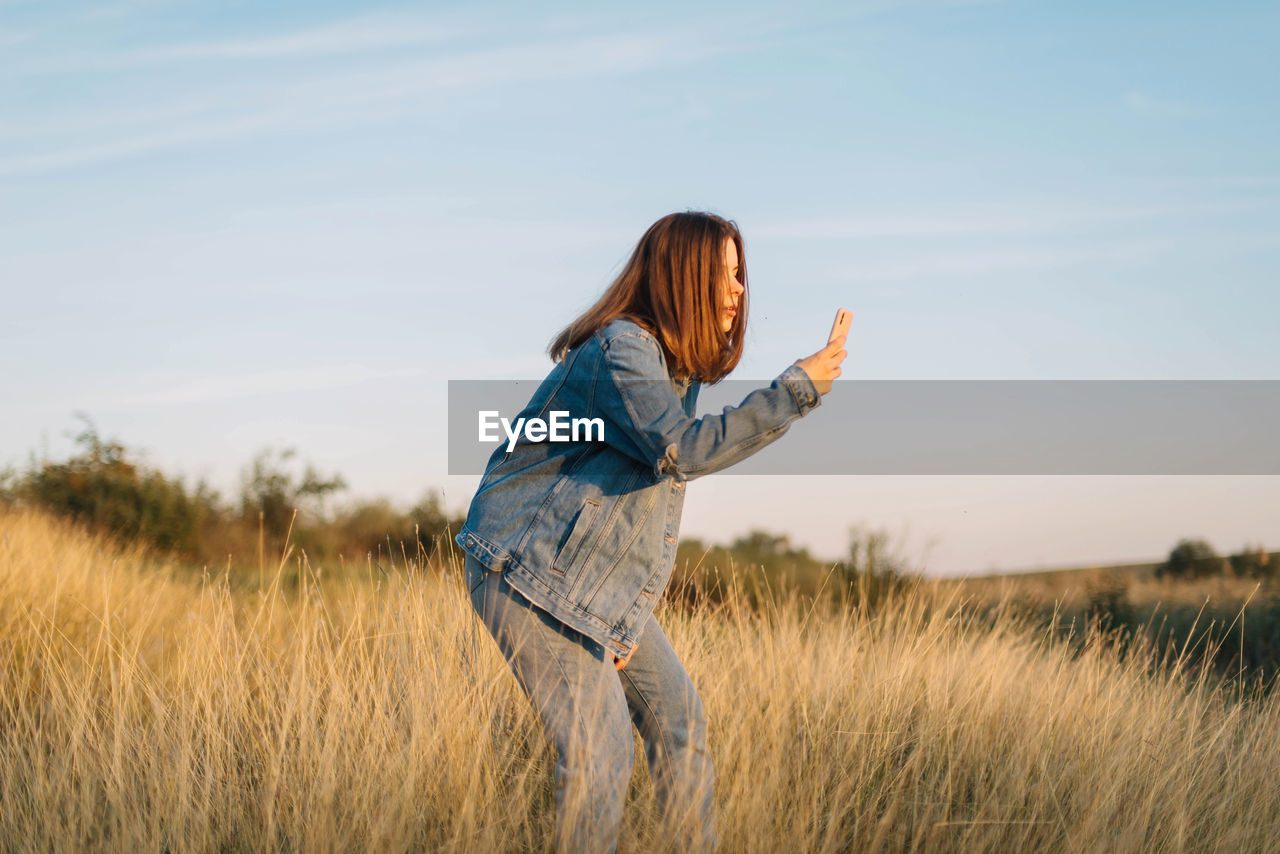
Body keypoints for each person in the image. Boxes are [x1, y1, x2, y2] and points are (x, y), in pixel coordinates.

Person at [455, 210, 847, 853]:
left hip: (586, 579)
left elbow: (635, 503)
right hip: (526, 570)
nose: (739, 291)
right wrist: (794, 391)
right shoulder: (624, 349)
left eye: (741, 275)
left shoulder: (669, 366)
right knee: (599, 752)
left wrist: (620, 616)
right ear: (681, 276)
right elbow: (681, 451)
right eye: (724, 275)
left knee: (678, 723)